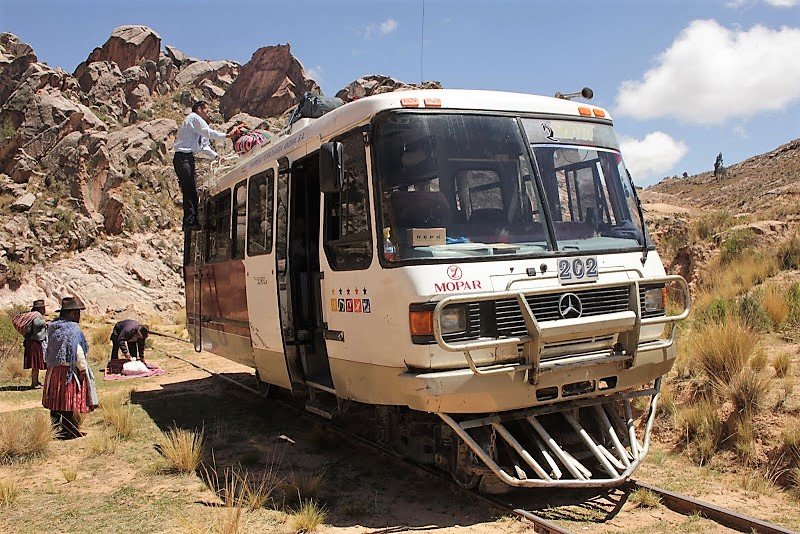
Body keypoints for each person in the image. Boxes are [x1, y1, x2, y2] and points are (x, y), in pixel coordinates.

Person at [173, 100, 243, 231]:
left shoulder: (197, 127)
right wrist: (228, 135)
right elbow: (208, 133)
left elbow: (203, 146)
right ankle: (189, 222)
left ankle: (191, 221)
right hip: (182, 157)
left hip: (187, 158)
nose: (208, 113)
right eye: (206, 110)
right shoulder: (194, 118)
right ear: (199, 109)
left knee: (191, 191)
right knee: (189, 190)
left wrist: (217, 157)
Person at [42, 296, 98, 439]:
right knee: (68, 401)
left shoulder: (53, 326)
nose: (79, 316)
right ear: (72, 313)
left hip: (54, 370)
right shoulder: (72, 329)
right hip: (68, 371)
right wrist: (83, 369)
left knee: (55, 401)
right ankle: (69, 431)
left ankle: (55, 429)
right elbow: (77, 351)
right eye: (78, 312)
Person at [23, 299, 47, 389]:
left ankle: (35, 381)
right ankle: (34, 383)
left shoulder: (34, 314)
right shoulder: (37, 315)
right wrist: (45, 322)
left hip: (33, 342)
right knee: (35, 364)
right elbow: (36, 323)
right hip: (35, 343)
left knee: (35, 364)